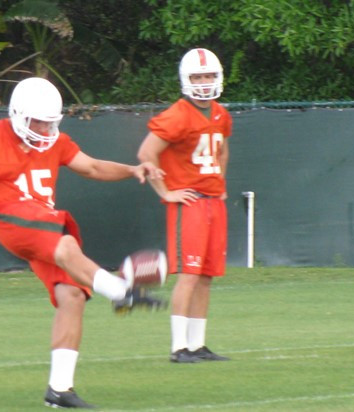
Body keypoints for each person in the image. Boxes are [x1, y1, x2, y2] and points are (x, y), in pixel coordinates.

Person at [0, 77, 165, 408]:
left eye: (51, 121)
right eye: (38, 121)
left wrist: (133, 170)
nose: (45, 128)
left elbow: (92, 167)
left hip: (41, 224)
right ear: (18, 115)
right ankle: (122, 292)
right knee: (65, 244)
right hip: (12, 219)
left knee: (73, 295)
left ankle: (59, 389)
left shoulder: (56, 141)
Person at [137, 48, 232, 363]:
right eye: (197, 77)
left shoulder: (220, 113)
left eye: (208, 76)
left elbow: (222, 150)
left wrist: (220, 185)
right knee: (189, 274)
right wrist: (165, 192)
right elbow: (146, 154)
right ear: (185, 80)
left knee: (206, 276)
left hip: (212, 201)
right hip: (188, 202)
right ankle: (179, 347)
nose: (204, 83)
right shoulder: (177, 114)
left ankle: (197, 344)